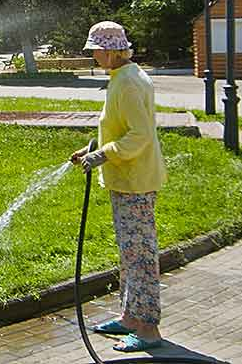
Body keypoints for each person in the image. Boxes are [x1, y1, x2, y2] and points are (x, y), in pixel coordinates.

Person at [69, 21, 167, 353]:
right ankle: (129, 318)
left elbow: (138, 135)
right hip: (128, 180)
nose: (93, 55)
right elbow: (118, 126)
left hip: (135, 182)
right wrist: (93, 148)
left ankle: (148, 328)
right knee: (129, 255)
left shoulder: (126, 84)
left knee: (140, 257)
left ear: (110, 51)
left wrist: (103, 155)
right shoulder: (124, 77)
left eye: (95, 50)